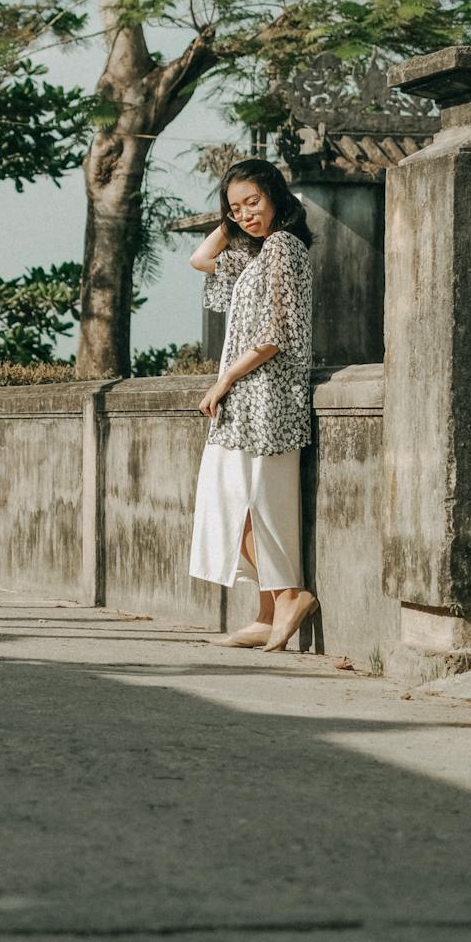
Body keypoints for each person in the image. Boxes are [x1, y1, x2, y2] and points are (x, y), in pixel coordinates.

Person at [186, 157, 317, 651]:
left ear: (278, 198)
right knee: (239, 504)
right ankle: (268, 611)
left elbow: (277, 334)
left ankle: (289, 597)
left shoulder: (284, 248)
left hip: (268, 397)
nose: (244, 215)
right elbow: (200, 259)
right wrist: (232, 216)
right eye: (235, 208)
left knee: (252, 503)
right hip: (247, 399)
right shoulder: (257, 256)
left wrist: (222, 382)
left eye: (253, 202)